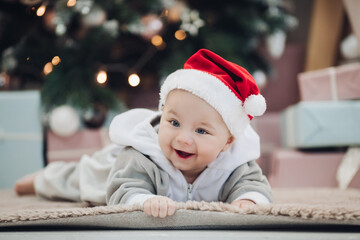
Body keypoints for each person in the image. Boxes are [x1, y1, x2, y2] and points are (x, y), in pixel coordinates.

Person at [15, 49, 272, 218]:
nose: (183, 138)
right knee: (79, 180)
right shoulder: (143, 155)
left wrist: (248, 201)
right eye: (173, 122)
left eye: (201, 130)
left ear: (227, 142)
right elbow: (124, 188)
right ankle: (43, 178)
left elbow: (253, 186)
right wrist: (143, 200)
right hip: (113, 170)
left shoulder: (236, 163)